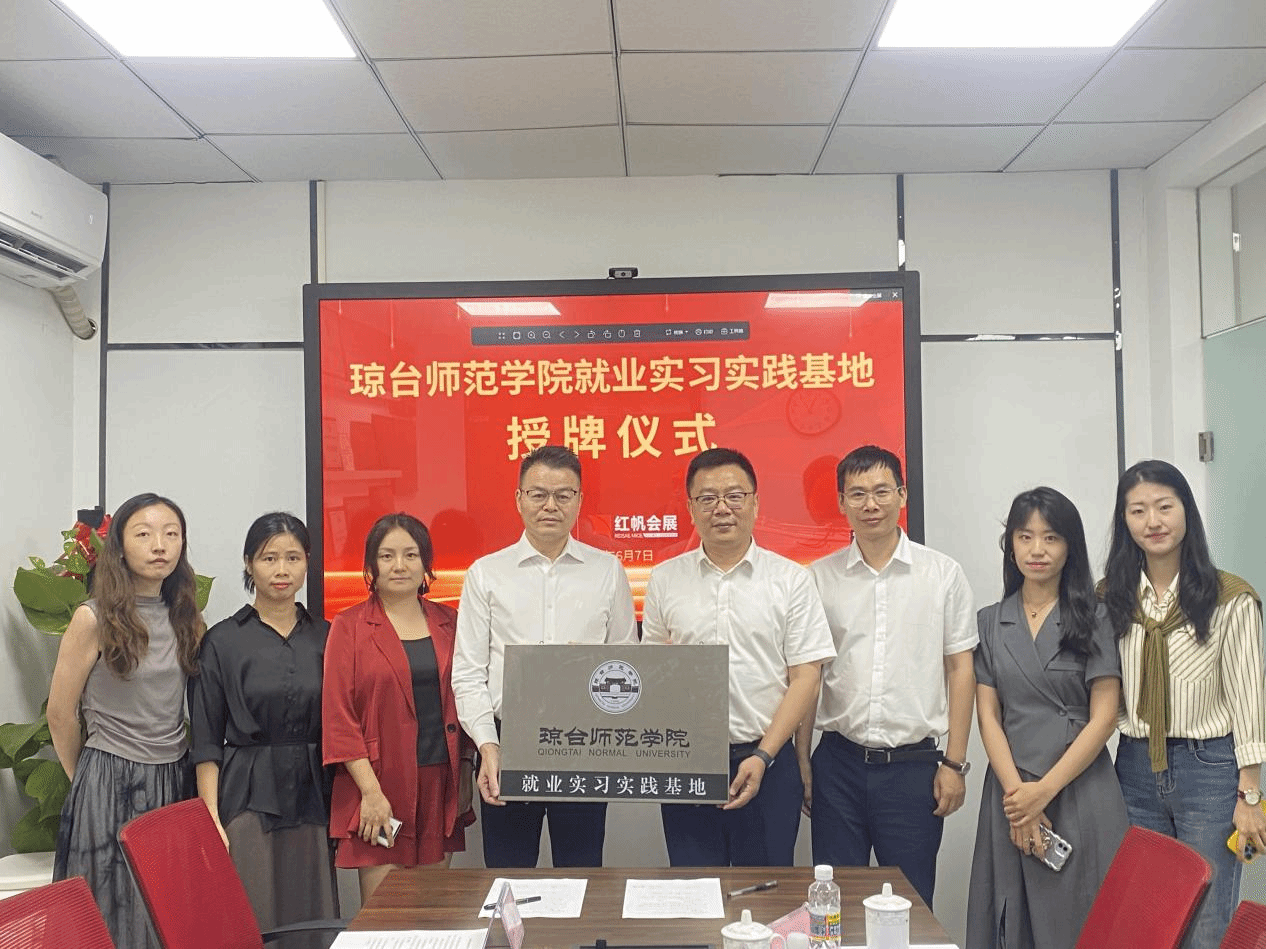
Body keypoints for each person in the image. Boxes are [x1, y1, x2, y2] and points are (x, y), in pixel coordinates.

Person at [642, 447, 836, 866]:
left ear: (755, 503)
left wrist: (764, 755)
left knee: (766, 893)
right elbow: (653, 671)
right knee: (694, 891)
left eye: (734, 496)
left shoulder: (791, 580)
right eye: (707, 498)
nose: (722, 509)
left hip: (770, 760)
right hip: (687, 763)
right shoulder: (665, 579)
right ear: (690, 508)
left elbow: (806, 677)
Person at [1103, 459, 1265, 949]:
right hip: (1134, 766)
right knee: (1147, 914)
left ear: (1186, 512)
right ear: (1125, 521)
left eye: (1164, 507)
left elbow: (1249, 699)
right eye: (1138, 510)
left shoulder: (1229, 598)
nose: (1152, 521)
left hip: (1209, 769)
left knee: (1208, 921)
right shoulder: (1110, 599)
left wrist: (1250, 796)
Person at [807, 445, 975, 910]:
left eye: (882, 491)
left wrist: (955, 763)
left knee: (911, 906)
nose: (871, 504)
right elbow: (808, 676)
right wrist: (803, 761)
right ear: (841, 502)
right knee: (834, 904)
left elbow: (961, 669)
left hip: (914, 769)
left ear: (902, 495)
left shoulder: (942, 574)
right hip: (837, 765)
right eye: (857, 493)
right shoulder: (819, 578)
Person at [452, 444, 637, 867]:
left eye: (563, 495)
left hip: (585, 742)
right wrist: (488, 746)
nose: (550, 505)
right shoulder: (486, 574)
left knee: (582, 870)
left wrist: (589, 674)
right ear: (519, 499)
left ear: (580, 501)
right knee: (510, 876)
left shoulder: (607, 571)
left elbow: (627, 665)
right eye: (538, 494)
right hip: (508, 742)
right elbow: (468, 673)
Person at [966, 487, 1128, 949]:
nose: (1037, 549)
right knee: (1010, 918)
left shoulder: (1096, 617)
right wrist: (1020, 799)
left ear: (1070, 546)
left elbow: (1103, 718)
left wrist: (1043, 792)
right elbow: (988, 716)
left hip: (1078, 786)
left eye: (1051, 537)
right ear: (1011, 546)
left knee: (1084, 917)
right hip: (1011, 788)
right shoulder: (989, 621)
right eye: (1025, 537)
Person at [48, 492, 204, 949]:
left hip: (173, 776)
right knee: (108, 913)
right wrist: (85, 780)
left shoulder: (188, 618)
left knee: (165, 913)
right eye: (144, 534)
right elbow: (60, 713)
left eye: (171, 534)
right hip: (109, 775)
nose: (160, 545)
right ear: (119, 547)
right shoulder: (92, 618)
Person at [188, 513, 336, 948]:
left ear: (307, 562)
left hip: (313, 791)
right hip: (247, 793)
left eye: (293, 558)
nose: (281, 570)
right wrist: (211, 818)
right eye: (269, 558)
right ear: (249, 564)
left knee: (312, 913)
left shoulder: (329, 637)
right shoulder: (222, 641)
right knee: (253, 915)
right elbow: (206, 741)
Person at [323, 512, 475, 902]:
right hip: (379, 785)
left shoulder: (451, 622)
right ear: (371, 566)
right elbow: (339, 718)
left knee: (433, 916)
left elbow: (469, 699)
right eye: (387, 556)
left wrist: (465, 772)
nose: (399, 565)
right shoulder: (349, 626)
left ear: (426, 564)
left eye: (410, 555)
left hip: (438, 784)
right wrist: (370, 793)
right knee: (385, 920)